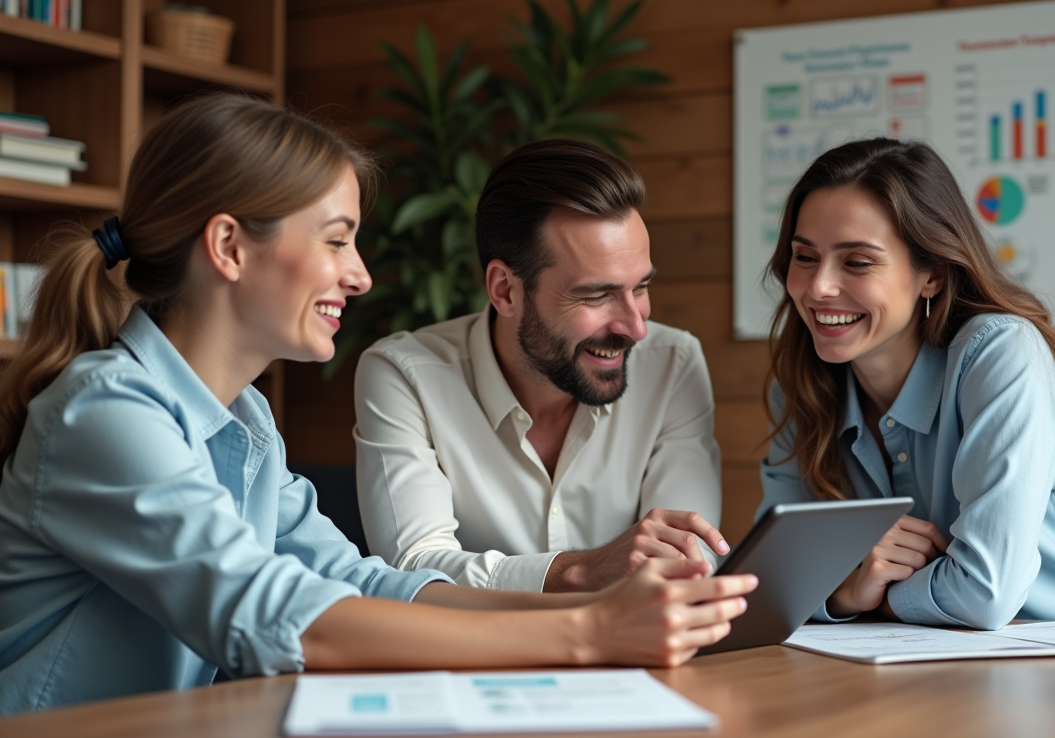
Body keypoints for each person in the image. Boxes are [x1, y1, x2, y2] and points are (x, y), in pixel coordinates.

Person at [0, 95, 756, 715]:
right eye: (337, 241)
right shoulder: (104, 412)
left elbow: (363, 584)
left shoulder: (246, 424)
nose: (360, 276)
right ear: (228, 247)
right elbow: (274, 616)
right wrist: (588, 634)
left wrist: (595, 616)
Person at [757, 137, 1055, 630]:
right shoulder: (801, 385)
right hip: (911, 655)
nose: (817, 287)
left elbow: (986, 592)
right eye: (805, 257)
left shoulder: (1003, 353)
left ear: (932, 275)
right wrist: (849, 591)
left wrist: (873, 598)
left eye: (856, 262)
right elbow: (770, 584)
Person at [354, 139, 727, 593]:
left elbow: (684, 554)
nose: (636, 328)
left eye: (641, 288)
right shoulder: (404, 375)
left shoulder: (673, 364)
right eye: (597, 295)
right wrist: (581, 571)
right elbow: (414, 570)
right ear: (505, 290)